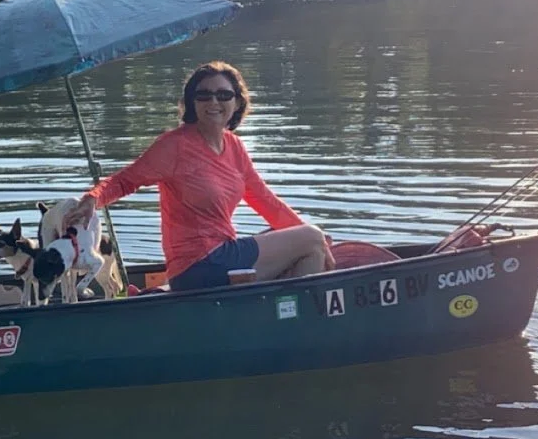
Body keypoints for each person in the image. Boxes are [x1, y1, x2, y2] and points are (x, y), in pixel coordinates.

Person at [62, 61, 334, 292]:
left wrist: (322, 242)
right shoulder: (175, 145)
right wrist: (91, 199)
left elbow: (265, 200)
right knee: (310, 237)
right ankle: (283, 322)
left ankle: (275, 318)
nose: (213, 102)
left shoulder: (235, 147)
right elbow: (125, 180)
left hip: (224, 254)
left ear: (237, 102)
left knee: (312, 246)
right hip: (198, 265)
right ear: (192, 102)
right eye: (204, 95)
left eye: (223, 95)